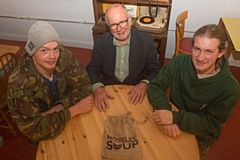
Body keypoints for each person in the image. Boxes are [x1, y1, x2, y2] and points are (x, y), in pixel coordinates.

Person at [147, 24, 239, 159]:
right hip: (169, 120)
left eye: (208, 51)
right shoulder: (179, 62)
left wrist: (175, 117)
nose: (200, 58)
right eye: (197, 49)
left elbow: (210, 123)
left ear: (220, 52)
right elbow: (156, 86)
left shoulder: (230, 88)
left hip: (200, 137)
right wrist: (166, 112)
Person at [7, 21, 93, 144]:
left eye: (55, 49)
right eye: (44, 51)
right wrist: (74, 110)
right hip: (46, 139)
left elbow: (84, 88)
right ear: (32, 52)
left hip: (72, 124)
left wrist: (56, 109)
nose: (52, 56)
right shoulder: (19, 85)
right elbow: (33, 130)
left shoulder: (64, 56)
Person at [86, 4, 160, 112]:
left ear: (130, 20)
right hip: (108, 92)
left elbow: (156, 71)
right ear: (108, 25)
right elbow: (92, 69)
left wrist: (144, 84)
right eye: (113, 25)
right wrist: (97, 88)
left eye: (123, 22)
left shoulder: (147, 42)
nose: (119, 29)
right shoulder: (100, 42)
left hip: (135, 92)